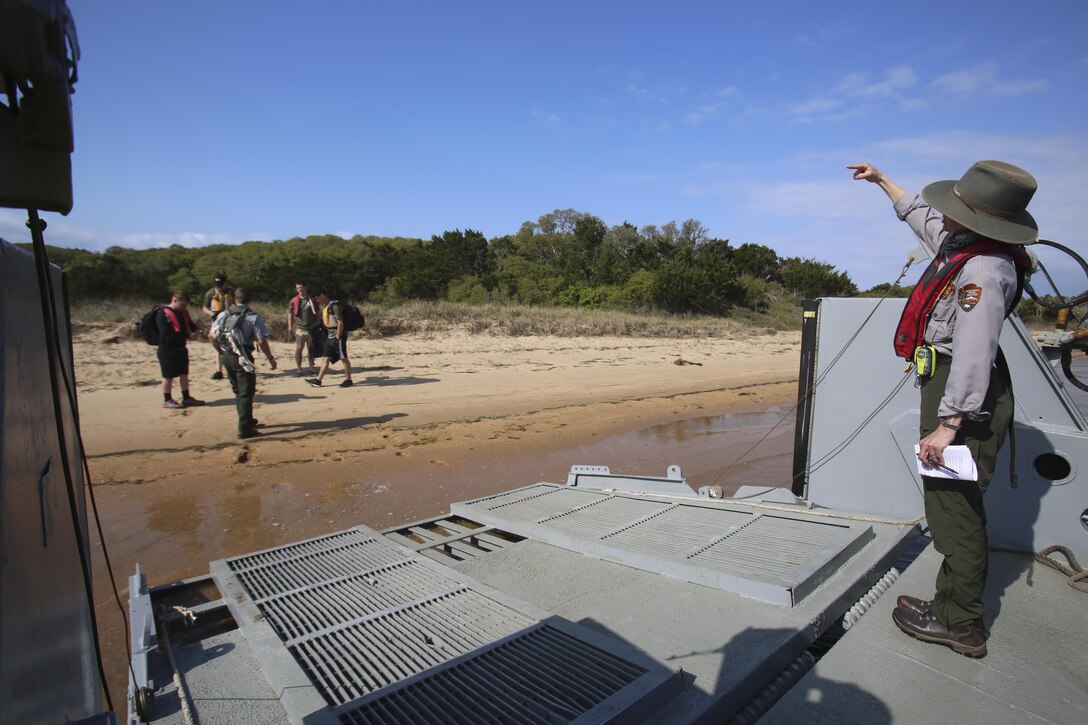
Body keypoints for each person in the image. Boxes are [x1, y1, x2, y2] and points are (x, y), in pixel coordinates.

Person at [850, 160, 1037, 659]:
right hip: (951, 385)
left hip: (962, 394)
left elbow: (975, 348)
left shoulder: (982, 271)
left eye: (953, 206)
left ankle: (961, 623)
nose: (942, 213)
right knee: (952, 502)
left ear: (977, 218)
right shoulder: (964, 246)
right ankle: (950, 601)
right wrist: (882, 181)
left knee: (954, 508)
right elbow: (922, 218)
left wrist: (950, 424)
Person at [209, 286, 277, 438]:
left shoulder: (224, 314)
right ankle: (244, 428)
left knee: (238, 391)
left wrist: (220, 352)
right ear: (250, 300)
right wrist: (270, 358)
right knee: (246, 393)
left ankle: (247, 419)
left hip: (227, 356)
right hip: (243, 357)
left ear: (234, 298)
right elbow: (261, 341)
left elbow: (212, 336)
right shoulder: (253, 317)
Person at [156, 291, 206, 409]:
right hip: (167, 349)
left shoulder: (183, 312)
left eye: (185, 306)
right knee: (168, 375)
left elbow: (190, 325)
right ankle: (167, 399)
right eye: (182, 305)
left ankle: (186, 397)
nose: (183, 308)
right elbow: (165, 334)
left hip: (181, 347)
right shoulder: (162, 313)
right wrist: (187, 335)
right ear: (174, 300)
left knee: (184, 373)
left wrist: (196, 331)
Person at [306, 288, 353, 388]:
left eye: (317, 299)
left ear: (322, 295)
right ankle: (318, 381)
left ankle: (348, 380)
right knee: (325, 358)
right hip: (330, 336)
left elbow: (340, 322)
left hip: (337, 336)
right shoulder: (326, 307)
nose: (317, 301)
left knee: (343, 357)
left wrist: (338, 337)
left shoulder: (335, 306)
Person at [202, 273, 235, 380]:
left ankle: (232, 368)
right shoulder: (211, 293)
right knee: (212, 338)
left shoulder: (231, 291)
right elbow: (204, 307)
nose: (219, 286)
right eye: (217, 284)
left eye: (221, 284)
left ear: (225, 282)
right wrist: (211, 313)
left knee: (231, 344)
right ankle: (219, 370)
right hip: (216, 320)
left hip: (231, 320)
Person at [286, 281, 318, 377]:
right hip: (300, 329)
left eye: (301, 287)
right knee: (299, 349)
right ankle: (299, 369)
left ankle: (311, 368)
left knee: (311, 349)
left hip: (312, 329)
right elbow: (290, 314)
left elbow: (318, 313)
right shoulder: (293, 301)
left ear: (306, 287)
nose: (300, 289)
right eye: (298, 288)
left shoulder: (312, 300)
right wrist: (290, 328)